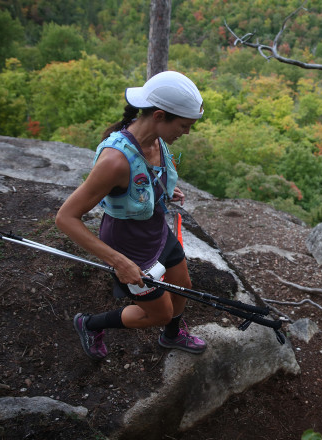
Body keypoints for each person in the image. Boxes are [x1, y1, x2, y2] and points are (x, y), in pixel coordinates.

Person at [55, 71, 207, 361]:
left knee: (183, 285)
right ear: (160, 115)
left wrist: (162, 192)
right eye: (184, 126)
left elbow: (143, 180)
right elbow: (65, 218)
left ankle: (174, 334)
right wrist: (118, 261)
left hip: (157, 233)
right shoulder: (115, 161)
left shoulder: (157, 140)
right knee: (159, 313)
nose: (186, 133)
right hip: (129, 247)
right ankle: (89, 324)